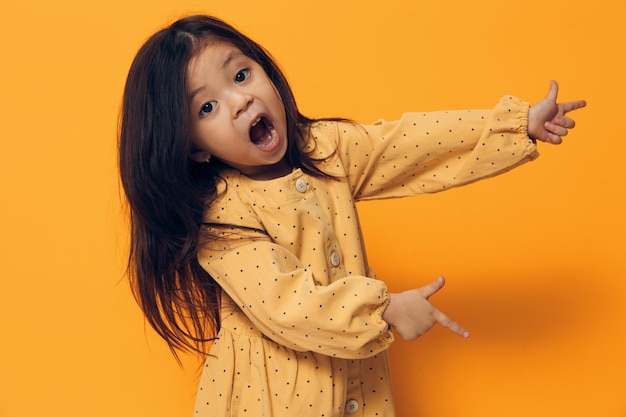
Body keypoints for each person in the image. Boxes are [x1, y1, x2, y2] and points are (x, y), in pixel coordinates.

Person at [118, 14, 586, 417]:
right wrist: (384, 311)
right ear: (195, 148)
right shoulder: (221, 220)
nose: (240, 100)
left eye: (241, 75)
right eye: (207, 106)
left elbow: (406, 144)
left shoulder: (325, 149)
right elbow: (288, 305)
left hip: (359, 391)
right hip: (269, 402)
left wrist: (513, 123)